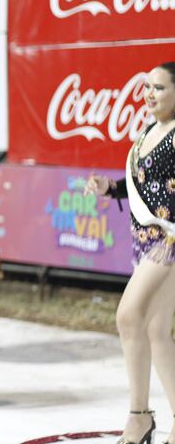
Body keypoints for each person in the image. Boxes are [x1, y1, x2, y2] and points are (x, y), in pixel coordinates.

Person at [85, 62, 175, 444]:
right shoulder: (149, 132)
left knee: (128, 315)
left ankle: (138, 417)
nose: (149, 94)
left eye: (159, 88)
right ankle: (146, 420)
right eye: (148, 87)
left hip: (169, 241)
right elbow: (143, 184)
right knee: (156, 331)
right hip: (144, 239)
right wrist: (111, 188)